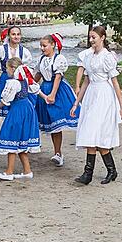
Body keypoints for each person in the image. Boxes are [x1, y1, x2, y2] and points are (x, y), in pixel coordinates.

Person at [72, 25, 122, 185]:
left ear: (102, 38)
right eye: (90, 37)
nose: (91, 40)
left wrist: (121, 106)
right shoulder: (89, 57)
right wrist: (77, 103)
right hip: (91, 95)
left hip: (104, 95)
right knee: (91, 133)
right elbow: (86, 81)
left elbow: (115, 82)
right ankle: (93, 173)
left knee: (97, 133)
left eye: (94, 37)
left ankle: (103, 171)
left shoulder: (107, 57)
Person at [34, 33, 79, 166]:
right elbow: (37, 75)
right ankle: (57, 152)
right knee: (52, 124)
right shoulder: (41, 59)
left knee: (57, 121)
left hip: (58, 90)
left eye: (45, 45)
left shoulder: (59, 58)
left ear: (52, 45)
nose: (42, 48)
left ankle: (58, 153)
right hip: (45, 88)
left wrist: (53, 94)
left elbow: (58, 77)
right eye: (41, 46)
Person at [0, 59, 42, 181]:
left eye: (7, 68)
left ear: (12, 69)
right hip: (27, 108)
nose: (6, 70)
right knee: (21, 141)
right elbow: (35, 89)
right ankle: (27, 170)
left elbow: (6, 100)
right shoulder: (25, 80)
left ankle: (9, 172)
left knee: (12, 137)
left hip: (18, 110)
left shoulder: (13, 82)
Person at [0, 26, 34, 112]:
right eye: (13, 34)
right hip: (5, 79)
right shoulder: (1, 49)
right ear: (9, 35)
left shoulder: (24, 51)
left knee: (19, 108)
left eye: (18, 34)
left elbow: (28, 70)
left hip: (20, 81)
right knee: (5, 105)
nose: (16, 37)